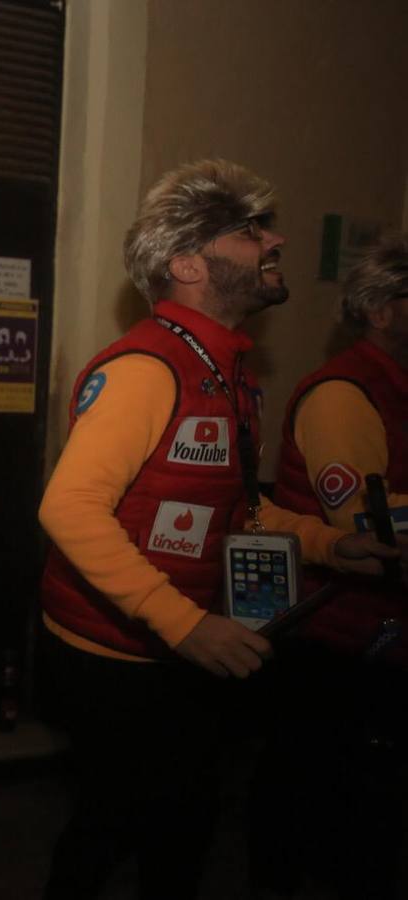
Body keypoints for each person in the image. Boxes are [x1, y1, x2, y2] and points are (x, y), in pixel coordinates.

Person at [37, 159, 406, 900]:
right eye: (250, 230)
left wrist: (334, 544)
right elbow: (68, 508)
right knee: (117, 829)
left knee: (180, 829)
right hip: (120, 657)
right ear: (187, 263)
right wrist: (185, 625)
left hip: (177, 649)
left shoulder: (226, 369)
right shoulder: (149, 368)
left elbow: (242, 508)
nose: (276, 240)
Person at [250, 230, 408, 899]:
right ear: (381, 309)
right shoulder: (343, 393)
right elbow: (369, 527)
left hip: (375, 637)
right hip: (338, 638)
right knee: (320, 801)